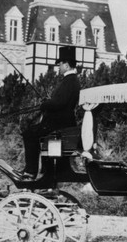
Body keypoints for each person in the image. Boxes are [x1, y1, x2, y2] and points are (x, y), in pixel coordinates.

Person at [20, 46, 81, 180]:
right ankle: (40, 171)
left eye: (59, 64)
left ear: (66, 64)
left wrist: (45, 104)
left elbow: (60, 103)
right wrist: (49, 102)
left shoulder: (69, 81)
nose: (58, 67)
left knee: (29, 134)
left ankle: (31, 171)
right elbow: (60, 100)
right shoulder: (72, 81)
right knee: (32, 132)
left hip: (58, 124)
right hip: (62, 122)